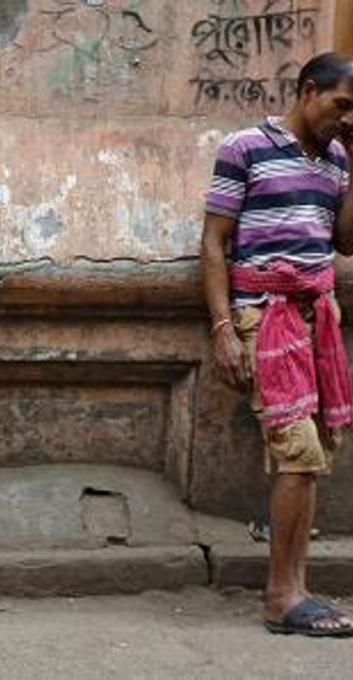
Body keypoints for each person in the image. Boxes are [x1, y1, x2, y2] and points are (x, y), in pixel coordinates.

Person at [201, 52, 353, 637]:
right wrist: (222, 330)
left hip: (319, 319)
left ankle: (297, 588)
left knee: (310, 458)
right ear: (308, 91)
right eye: (341, 105)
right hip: (263, 318)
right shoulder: (245, 148)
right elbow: (214, 244)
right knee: (298, 453)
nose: (347, 119)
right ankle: (280, 596)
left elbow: (346, 241)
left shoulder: (338, 158)